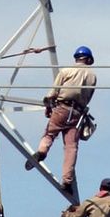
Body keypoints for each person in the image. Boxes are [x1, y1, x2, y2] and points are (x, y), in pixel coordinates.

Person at [26, 46, 97, 193]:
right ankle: (67, 180)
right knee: (71, 148)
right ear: (88, 59)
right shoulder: (92, 76)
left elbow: (53, 92)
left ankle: (41, 152)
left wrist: (48, 106)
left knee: (50, 134)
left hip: (62, 109)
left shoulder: (66, 71)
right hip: (77, 114)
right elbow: (88, 97)